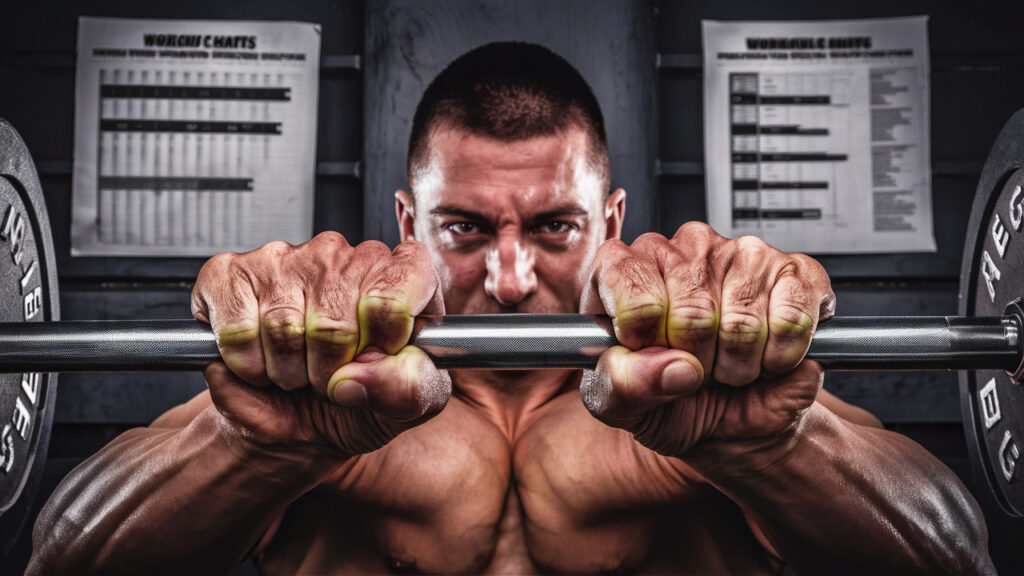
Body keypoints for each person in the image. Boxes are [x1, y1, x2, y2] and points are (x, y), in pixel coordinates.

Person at [29, 42, 992, 575]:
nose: (508, 278)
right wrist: (261, 446)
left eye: (557, 229)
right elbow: (62, 556)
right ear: (405, 221)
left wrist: (768, 446)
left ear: (613, 220)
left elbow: (957, 554)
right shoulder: (332, 392)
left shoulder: (693, 395)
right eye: (462, 230)